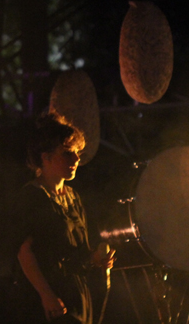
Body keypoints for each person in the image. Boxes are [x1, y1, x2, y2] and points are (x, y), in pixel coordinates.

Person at [12, 111, 114, 324]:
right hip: (50, 300)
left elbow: (78, 251)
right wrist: (46, 294)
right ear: (45, 157)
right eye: (68, 153)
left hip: (77, 296)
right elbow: (24, 251)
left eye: (77, 152)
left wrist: (95, 259)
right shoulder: (32, 196)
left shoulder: (73, 197)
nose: (77, 159)